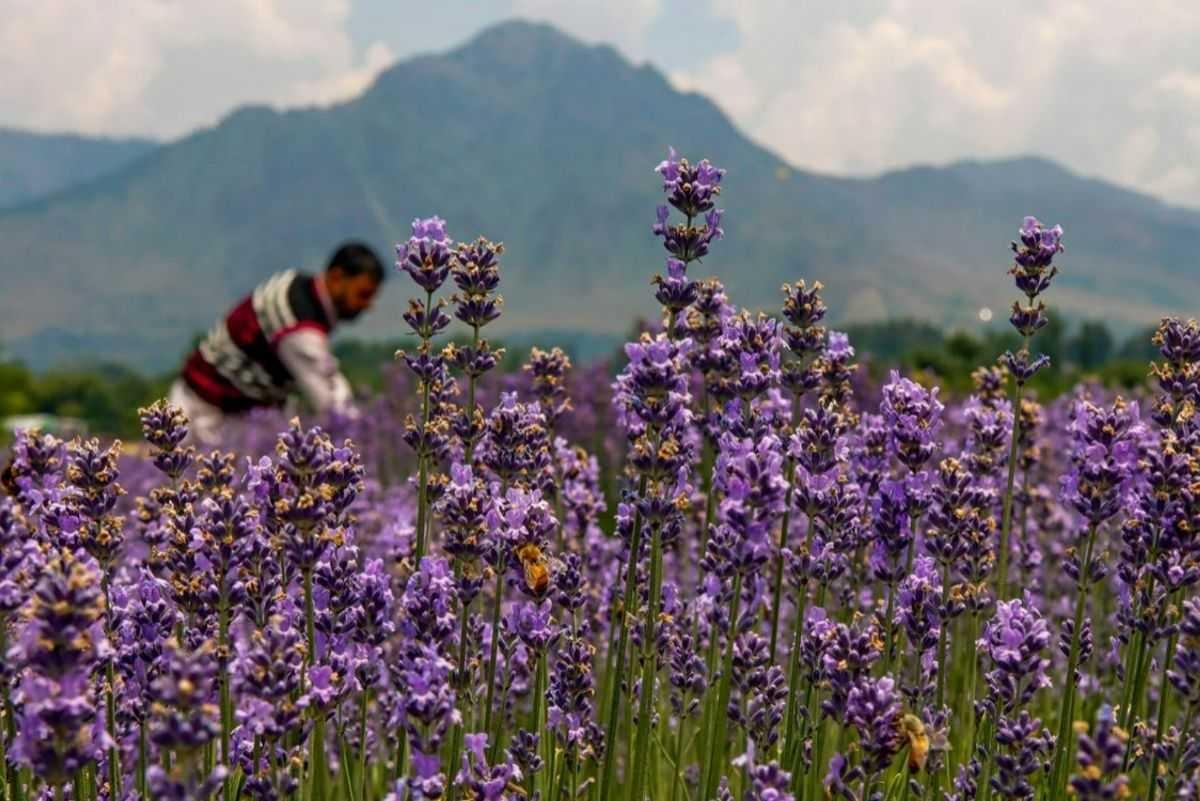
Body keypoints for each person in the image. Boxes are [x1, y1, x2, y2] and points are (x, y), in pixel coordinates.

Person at [169, 241, 384, 444]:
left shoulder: (296, 282)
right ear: (337, 278)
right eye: (363, 295)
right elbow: (330, 402)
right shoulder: (299, 329)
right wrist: (367, 435)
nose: (368, 306)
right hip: (205, 415)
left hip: (227, 411)